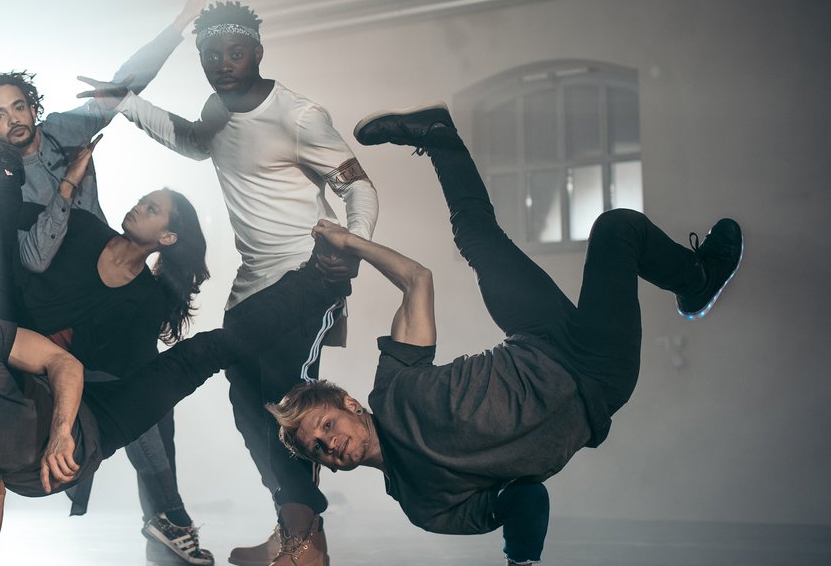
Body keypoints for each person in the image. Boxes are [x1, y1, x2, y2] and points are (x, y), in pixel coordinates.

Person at [265, 103, 744, 565]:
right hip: (594, 376)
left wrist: (352, 242)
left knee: (477, 238)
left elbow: (417, 280)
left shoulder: (392, 387)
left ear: (349, 404)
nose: (331, 445)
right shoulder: (426, 507)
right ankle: (697, 281)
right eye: (319, 450)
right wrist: (521, 559)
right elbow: (524, 498)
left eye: (326, 427)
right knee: (618, 229)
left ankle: (438, 136)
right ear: (327, 466)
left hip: (536, 336)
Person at [86, 1, 379, 565]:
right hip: (251, 286)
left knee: (292, 402)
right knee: (251, 412)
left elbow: (358, 185)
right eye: (210, 55)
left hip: (307, 277)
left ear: (259, 52)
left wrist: (352, 243)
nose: (223, 64)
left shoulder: (299, 116)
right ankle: (290, 523)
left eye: (235, 52)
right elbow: (198, 142)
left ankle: (303, 545)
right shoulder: (216, 107)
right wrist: (126, 103)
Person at [0, 249, 347, 566]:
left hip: (91, 413)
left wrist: (61, 433)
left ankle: (319, 280)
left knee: (204, 352)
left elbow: (63, 364)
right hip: (57, 463)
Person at [0, 138, 214, 563]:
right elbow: (21, 240)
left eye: (152, 210)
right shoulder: (84, 227)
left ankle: (169, 517)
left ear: (168, 236)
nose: (139, 207)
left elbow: (126, 368)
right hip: (4, 323)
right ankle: (172, 517)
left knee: (151, 403)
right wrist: (66, 181)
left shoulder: (146, 297)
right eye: (143, 201)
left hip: (48, 367)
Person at [0, 0, 208, 321]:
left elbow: (124, 86)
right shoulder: (6, 192)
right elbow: (34, 259)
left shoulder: (64, 129)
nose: (14, 120)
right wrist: (68, 185)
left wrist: (179, 24)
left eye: (18, 107)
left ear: (33, 109)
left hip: (108, 266)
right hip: (57, 301)